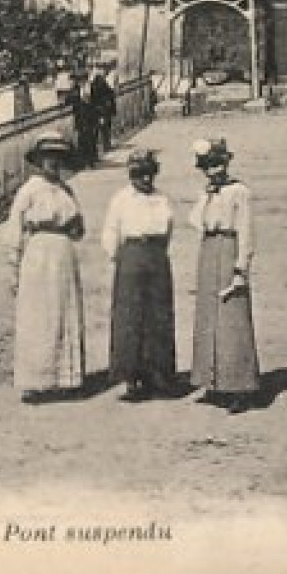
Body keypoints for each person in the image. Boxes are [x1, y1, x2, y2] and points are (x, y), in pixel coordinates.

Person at [5, 132, 87, 403]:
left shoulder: (66, 190)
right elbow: (14, 229)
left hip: (63, 254)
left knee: (64, 312)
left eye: (58, 157)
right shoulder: (29, 190)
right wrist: (13, 266)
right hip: (38, 254)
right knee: (39, 315)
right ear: (39, 160)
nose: (53, 162)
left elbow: (79, 228)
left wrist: (72, 227)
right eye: (47, 157)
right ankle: (36, 381)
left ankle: (65, 379)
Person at [188, 138, 260, 414]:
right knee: (208, 315)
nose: (213, 171)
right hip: (208, 250)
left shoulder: (240, 191)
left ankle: (239, 386)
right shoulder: (208, 192)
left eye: (217, 164)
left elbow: (246, 231)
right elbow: (196, 222)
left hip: (229, 248)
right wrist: (207, 196)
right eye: (207, 166)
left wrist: (241, 267)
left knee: (232, 317)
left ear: (227, 163)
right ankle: (212, 382)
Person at [101, 148, 178, 401]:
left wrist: (156, 253)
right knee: (130, 317)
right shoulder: (121, 199)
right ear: (131, 175)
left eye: (149, 174)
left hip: (156, 256)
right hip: (131, 257)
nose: (145, 179)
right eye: (139, 174)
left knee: (159, 314)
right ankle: (130, 377)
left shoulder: (162, 199)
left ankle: (158, 375)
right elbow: (110, 232)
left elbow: (167, 232)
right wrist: (121, 258)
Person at [68, 75, 99, 167]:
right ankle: (85, 161)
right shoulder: (75, 90)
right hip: (80, 118)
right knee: (82, 139)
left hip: (89, 117)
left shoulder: (90, 88)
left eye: (80, 80)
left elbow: (94, 102)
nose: (79, 82)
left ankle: (90, 160)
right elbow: (69, 101)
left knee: (89, 138)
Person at [88, 68, 117, 153]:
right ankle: (106, 146)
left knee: (97, 130)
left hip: (97, 110)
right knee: (105, 128)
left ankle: (97, 149)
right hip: (104, 110)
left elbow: (91, 99)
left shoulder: (93, 86)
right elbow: (111, 95)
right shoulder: (104, 85)